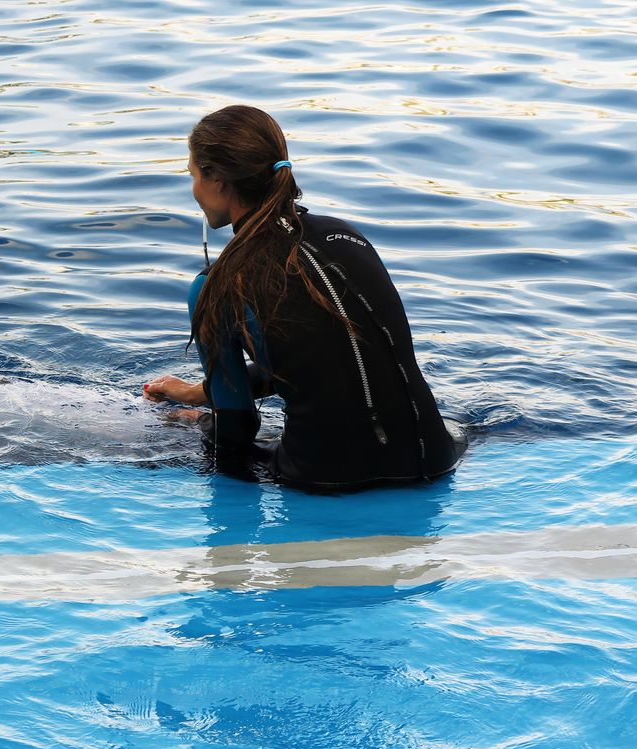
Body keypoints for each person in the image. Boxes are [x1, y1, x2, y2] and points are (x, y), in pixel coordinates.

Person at [144, 105, 466, 491]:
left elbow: (237, 428)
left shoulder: (217, 284)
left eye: (193, 174)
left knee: (187, 436)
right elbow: (325, 354)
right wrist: (201, 391)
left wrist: (199, 418)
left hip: (324, 477)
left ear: (216, 179)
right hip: (433, 458)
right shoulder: (345, 237)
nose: (194, 190)